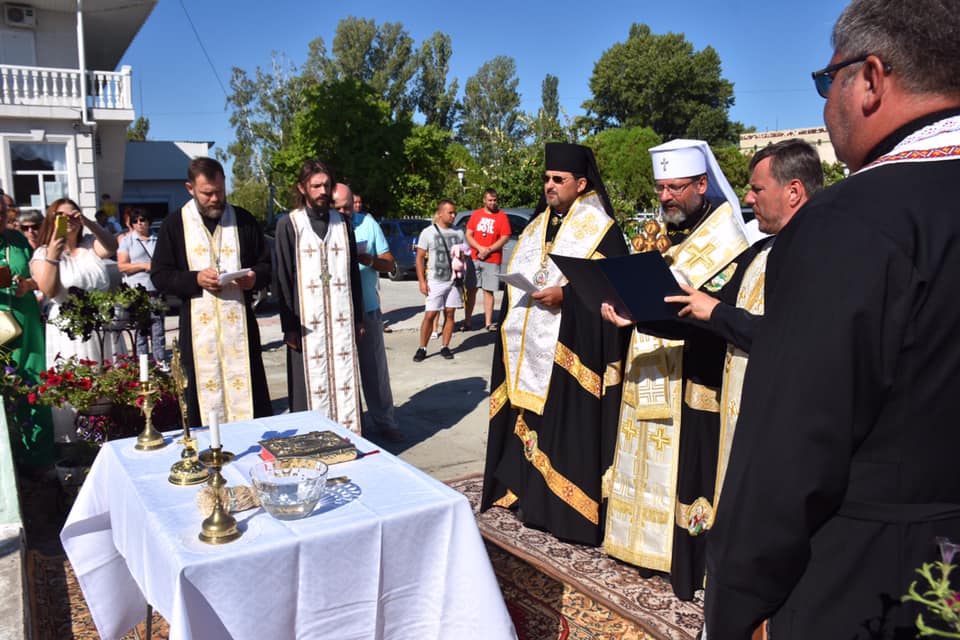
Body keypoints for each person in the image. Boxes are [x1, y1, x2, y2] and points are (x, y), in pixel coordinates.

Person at [704, 1, 960, 637]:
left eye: (827, 81)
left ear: (870, 79)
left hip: (878, 577)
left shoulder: (848, 222)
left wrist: (738, 604)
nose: (824, 104)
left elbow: (792, 447)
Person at [602, 139, 749, 601]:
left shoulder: (730, 241)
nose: (664, 197)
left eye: (675, 187)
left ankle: (681, 559)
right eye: (660, 187)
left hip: (695, 375)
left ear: (703, 185)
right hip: (653, 364)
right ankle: (640, 548)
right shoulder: (671, 235)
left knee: (687, 468)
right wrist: (628, 312)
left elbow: (722, 309)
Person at [480, 142, 630, 546]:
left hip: (571, 353)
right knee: (530, 431)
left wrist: (567, 297)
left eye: (558, 180)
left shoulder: (602, 230)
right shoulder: (536, 226)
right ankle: (527, 495)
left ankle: (566, 512)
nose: (549, 185)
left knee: (564, 431)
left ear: (581, 184)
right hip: (531, 347)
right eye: (546, 178)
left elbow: (615, 292)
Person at [151, 157, 272, 428]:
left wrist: (254, 278)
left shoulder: (243, 220)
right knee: (200, 405)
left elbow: (266, 264)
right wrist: (195, 279)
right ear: (190, 188)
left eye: (220, 191)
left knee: (251, 399)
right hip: (197, 332)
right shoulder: (174, 224)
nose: (216, 198)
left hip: (240, 328)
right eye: (208, 193)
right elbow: (159, 275)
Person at [275, 160, 363, 432]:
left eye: (326, 185)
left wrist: (358, 317)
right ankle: (311, 441)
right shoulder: (289, 225)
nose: (323, 191)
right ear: (302, 188)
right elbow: (282, 279)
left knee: (344, 379)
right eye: (316, 186)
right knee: (308, 386)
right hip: (305, 325)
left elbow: (353, 274)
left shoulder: (343, 224)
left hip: (340, 321)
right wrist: (288, 327)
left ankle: (349, 438)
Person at [31, 197, 122, 441]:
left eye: (74, 214)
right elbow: (49, 290)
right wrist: (54, 253)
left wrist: (88, 222)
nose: (69, 219)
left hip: (101, 324)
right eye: (62, 215)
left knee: (106, 383)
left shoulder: (91, 245)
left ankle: (106, 436)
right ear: (52, 219)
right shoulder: (43, 253)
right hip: (68, 329)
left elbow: (112, 245)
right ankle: (78, 446)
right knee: (76, 386)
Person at [332, 183, 403, 443]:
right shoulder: (323, 228)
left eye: (347, 208)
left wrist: (370, 260)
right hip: (335, 313)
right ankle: (349, 425)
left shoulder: (367, 224)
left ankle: (385, 421)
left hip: (368, 308)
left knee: (374, 371)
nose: (343, 213)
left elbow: (390, 261)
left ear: (354, 204)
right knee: (340, 374)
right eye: (336, 208)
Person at [0, 191, 51, 468]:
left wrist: (28, 285)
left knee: (33, 386)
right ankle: (11, 464)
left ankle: (40, 460)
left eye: (1, 213)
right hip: (1, 330)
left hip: (27, 323)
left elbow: (37, 276)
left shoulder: (18, 239)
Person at [413, 200, 464, 362]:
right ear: (440, 213)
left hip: (454, 280)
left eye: (454, 212)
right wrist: (422, 281)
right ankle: (422, 347)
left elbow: (464, 256)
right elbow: (420, 258)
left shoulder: (459, 233)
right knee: (430, 314)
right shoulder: (428, 232)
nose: (453, 216)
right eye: (450, 212)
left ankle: (445, 346)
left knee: (450, 313)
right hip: (436, 280)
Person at [117, 208, 166, 363]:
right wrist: (144, 265)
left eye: (142, 220)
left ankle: (160, 361)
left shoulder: (157, 240)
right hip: (137, 292)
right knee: (141, 331)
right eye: (135, 221)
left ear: (148, 221)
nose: (139, 224)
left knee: (158, 330)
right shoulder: (127, 241)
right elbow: (122, 266)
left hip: (156, 290)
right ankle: (142, 364)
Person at [466, 189, 511, 332]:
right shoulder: (476, 215)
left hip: (492, 259)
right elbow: (468, 234)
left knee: (488, 291)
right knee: (471, 290)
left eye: (494, 200)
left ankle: (488, 322)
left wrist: (489, 250)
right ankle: (467, 321)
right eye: (490, 200)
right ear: (484, 200)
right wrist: (480, 248)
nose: (492, 203)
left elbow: (505, 237)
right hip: (475, 258)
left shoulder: (502, 216)